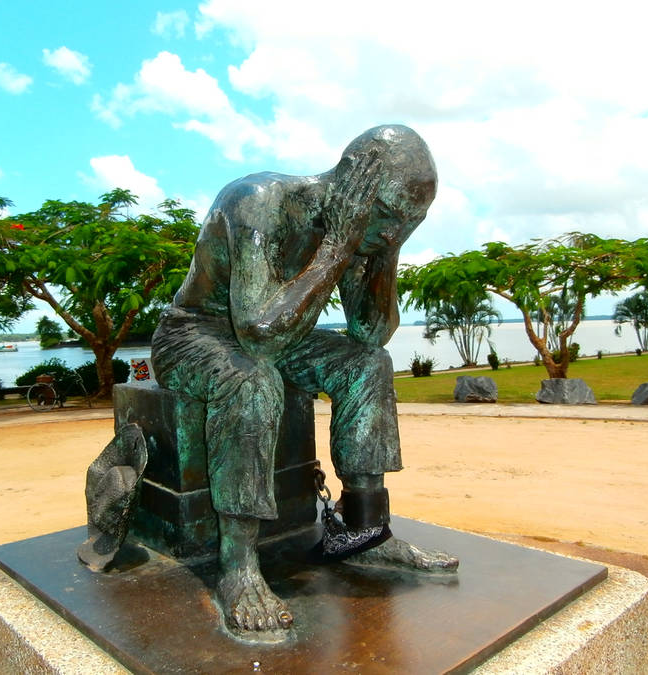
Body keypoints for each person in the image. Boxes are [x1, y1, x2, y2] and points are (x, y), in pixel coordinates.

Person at [151, 125, 456, 638]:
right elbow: (259, 334)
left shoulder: (372, 235)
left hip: (279, 331)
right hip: (194, 335)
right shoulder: (257, 201)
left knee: (368, 364)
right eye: (387, 216)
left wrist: (383, 252)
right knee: (252, 379)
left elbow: (369, 332)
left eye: (411, 223)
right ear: (350, 185)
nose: (394, 231)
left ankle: (366, 530)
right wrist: (337, 246)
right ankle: (240, 565)